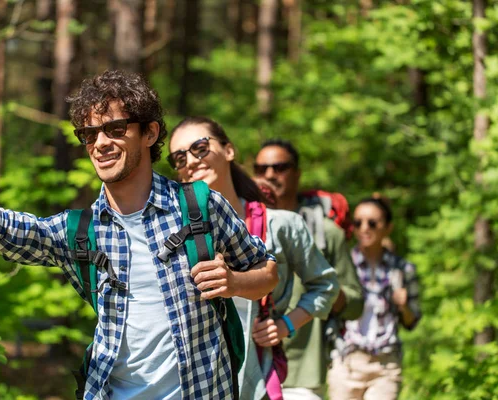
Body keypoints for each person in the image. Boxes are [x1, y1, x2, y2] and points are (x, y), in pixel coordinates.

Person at [0, 70, 279, 400]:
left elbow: (267, 273)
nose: (100, 143)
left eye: (115, 129)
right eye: (89, 134)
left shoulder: (201, 206)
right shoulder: (79, 231)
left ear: (150, 133)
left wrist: (233, 283)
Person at [168, 116, 340, 400]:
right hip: (196, 384)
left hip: (261, 378)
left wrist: (286, 325)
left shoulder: (281, 225)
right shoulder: (173, 235)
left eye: (200, 147)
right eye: (179, 157)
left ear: (229, 150)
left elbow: (326, 284)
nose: (191, 160)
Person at [254, 139, 364, 400]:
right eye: (261, 169)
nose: (270, 174)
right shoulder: (243, 226)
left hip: (303, 373)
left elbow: (356, 304)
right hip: (250, 368)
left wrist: (322, 284)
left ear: (297, 174)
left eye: (280, 167)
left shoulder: (326, 233)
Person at [327, 196, 421, 400]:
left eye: (372, 223)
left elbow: (412, 322)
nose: (364, 228)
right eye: (358, 222)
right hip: (346, 363)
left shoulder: (403, 270)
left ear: (387, 227)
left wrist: (403, 306)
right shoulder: (342, 266)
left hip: (385, 366)